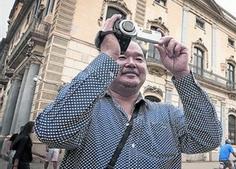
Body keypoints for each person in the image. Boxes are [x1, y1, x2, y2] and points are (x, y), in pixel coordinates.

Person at [34, 14, 222, 168]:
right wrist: (108, 54)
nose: (132, 63)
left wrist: (182, 74)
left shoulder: (169, 114)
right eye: (122, 57)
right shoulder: (85, 106)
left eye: (139, 59)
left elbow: (207, 139)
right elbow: (51, 132)